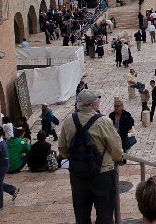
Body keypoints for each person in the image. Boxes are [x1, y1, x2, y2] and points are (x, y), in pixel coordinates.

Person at [58, 90, 123, 224]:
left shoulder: (69, 120)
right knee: (105, 214)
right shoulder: (103, 121)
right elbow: (116, 149)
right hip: (102, 173)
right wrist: (117, 159)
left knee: (81, 214)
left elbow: (62, 149)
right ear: (94, 105)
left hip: (78, 173)